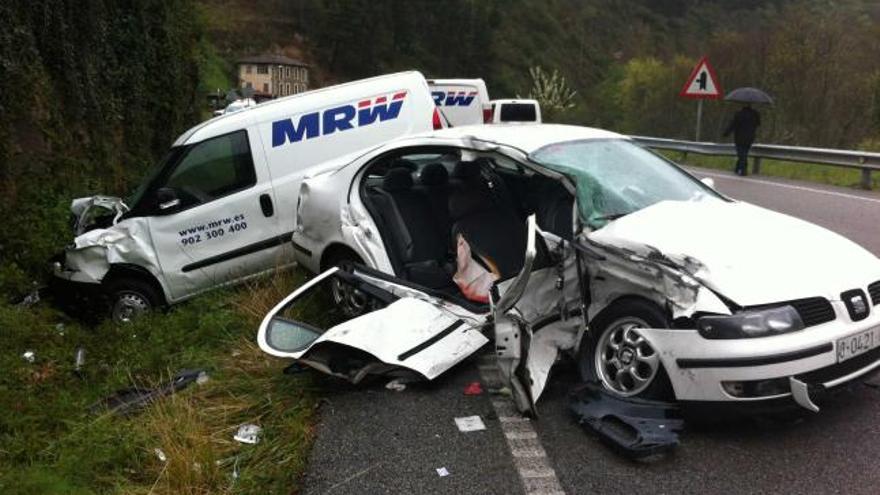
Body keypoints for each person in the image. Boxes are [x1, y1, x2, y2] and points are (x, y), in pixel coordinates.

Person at [723, 104, 761, 176]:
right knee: (744, 153)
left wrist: (726, 133)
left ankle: (743, 170)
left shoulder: (739, 114)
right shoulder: (755, 114)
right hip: (750, 137)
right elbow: (758, 124)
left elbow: (733, 124)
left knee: (741, 154)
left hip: (739, 137)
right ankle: (737, 168)